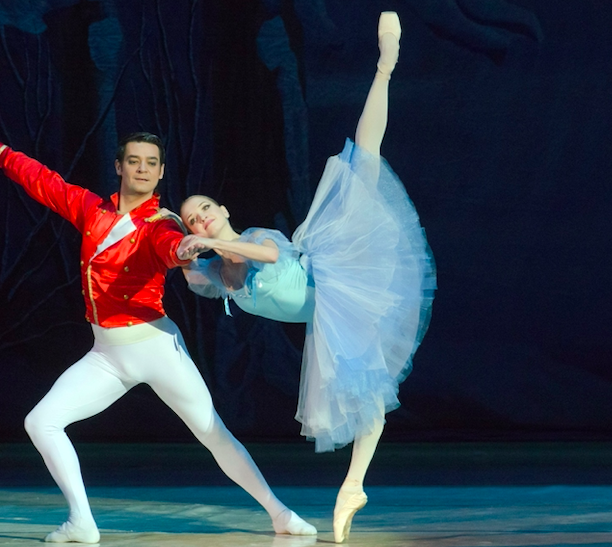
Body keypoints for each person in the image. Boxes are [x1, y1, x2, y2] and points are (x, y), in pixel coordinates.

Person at [0, 126, 316, 543]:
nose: (142, 169)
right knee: (41, 422)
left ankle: (280, 513)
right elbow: (44, 181)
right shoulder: (91, 209)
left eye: (151, 163)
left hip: (155, 348)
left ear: (160, 172)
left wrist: (182, 249)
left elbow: (169, 245)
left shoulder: (160, 224)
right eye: (134, 161)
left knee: (212, 432)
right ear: (119, 166)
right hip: (106, 355)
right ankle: (81, 521)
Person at [174, 12, 435, 544]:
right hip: (327, 314)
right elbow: (179, 264)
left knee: (363, 162)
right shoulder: (214, 273)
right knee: (367, 394)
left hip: (334, 269)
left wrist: (214, 243)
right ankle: (353, 486)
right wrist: (170, 237)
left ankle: (385, 66)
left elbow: (267, 255)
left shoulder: (253, 236)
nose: (200, 218)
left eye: (205, 209)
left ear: (223, 210)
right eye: (192, 218)